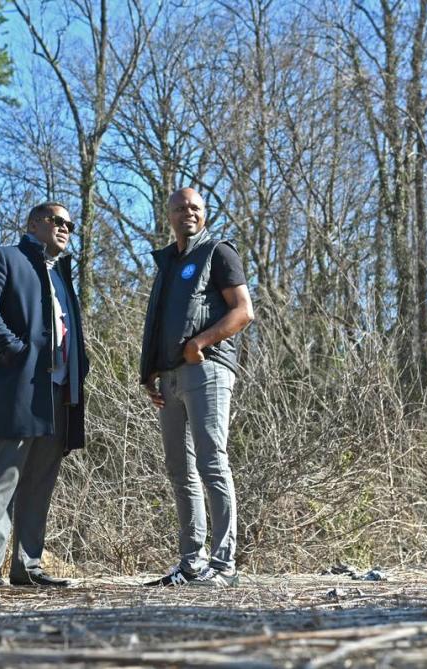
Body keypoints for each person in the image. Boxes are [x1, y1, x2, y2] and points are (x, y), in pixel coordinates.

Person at [0, 202, 88, 587]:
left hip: (59, 394)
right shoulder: (4, 258)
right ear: (33, 223)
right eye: (56, 221)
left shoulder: (63, 276)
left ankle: (27, 567)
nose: (65, 228)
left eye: (70, 224)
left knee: (40, 482)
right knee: (4, 477)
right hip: (19, 388)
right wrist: (13, 349)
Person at [140, 187, 254, 588]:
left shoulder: (218, 252)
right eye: (179, 208)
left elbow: (244, 311)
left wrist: (198, 345)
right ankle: (192, 564)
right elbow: (160, 323)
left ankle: (223, 566)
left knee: (211, 462)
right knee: (179, 470)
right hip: (169, 377)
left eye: (194, 207)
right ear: (168, 215)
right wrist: (149, 371)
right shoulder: (168, 262)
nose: (187, 212)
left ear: (204, 213)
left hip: (207, 369)